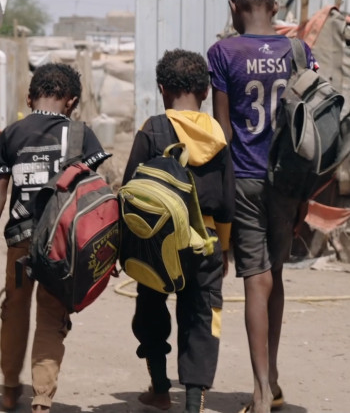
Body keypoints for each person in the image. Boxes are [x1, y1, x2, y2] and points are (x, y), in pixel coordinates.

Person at [207, 0, 318, 413]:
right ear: (274, 7)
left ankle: (257, 390)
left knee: (256, 279)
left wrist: (217, 198)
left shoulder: (222, 53)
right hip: (289, 181)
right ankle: (271, 379)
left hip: (246, 179)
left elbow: (221, 133)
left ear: (234, 8)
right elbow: (311, 126)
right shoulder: (300, 50)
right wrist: (307, 192)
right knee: (277, 274)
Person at [122, 49, 235, 413]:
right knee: (202, 316)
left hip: (157, 244)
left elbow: (129, 190)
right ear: (205, 91)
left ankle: (158, 386)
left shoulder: (152, 129)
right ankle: (192, 401)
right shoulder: (218, 136)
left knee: (151, 309)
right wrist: (226, 248)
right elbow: (228, 201)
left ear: (161, 89)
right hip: (208, 245)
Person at [0, 63, 111, 412]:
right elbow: (95, 198)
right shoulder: (80, 135)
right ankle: (42, 400)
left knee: (14, 311)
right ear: (72, 101)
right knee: (51, 315)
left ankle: (7, 390)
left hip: (20, 240)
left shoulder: (11, 134)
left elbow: (0, 197)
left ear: (30, 97)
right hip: (60, 245)